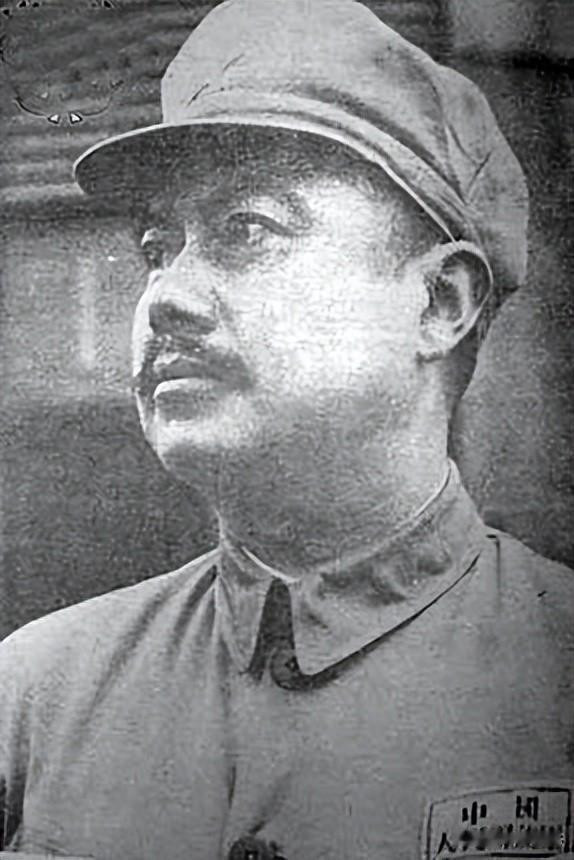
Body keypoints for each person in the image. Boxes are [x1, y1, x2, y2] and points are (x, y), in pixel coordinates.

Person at [1, 0, 573, 858]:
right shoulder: (36, 694)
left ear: (438, 303)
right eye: (158, 246)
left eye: (248, 230)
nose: (166, 297)